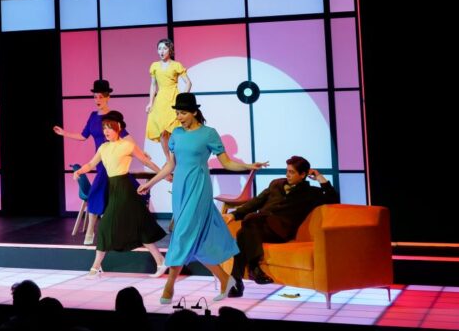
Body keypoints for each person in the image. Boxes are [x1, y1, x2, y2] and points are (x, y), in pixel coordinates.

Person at [138, 94, 267, 303]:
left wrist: (248, 166)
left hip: (198, 188)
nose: (179, 117)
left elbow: (227, 163)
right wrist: (150, 183)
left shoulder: (208, 134)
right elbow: (170, 165)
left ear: (194, 112)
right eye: (177, 113)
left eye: (183, 113)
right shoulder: (177, 134)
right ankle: (225, 280)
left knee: (181, 234)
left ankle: (169, 286)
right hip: (180, 189)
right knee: (197, 241)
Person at [222, 155, 338, 297]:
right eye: (287, 171)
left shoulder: (311, 193)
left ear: (303, 175)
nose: (288, 175)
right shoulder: (276, 184)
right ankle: (244, 277)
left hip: (280, 231)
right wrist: (234, 215)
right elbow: (257, 201)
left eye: (292, 172)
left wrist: (319, 177)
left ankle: (249, 271)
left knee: (249, 222)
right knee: (242, 233)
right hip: (259, 227)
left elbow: (333, 198)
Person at [74, 111, 167, 277]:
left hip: (124, 189)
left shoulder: (127, 145)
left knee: (104, 226)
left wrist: (164, 174)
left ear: (118, 128)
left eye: (109, 127)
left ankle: (95, 266)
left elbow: (146, 161)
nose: (106, 131)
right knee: (139, 227)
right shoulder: (104, 147)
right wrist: (79, 171)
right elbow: (90, 164)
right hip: (114, 188)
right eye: (104, 128)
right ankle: (160, 261)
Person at [53, 79, 124, 245]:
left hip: (113, 160)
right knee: (99, 193)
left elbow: (124, 136)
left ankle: (92, 231)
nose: (97, 100)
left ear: (108, 97)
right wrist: (64, 133)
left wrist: (138, 152)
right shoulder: (93, 116)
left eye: (101, 96)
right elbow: (83, 136)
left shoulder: (113, 117)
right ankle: (97, 232)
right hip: (99, 161)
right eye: (95, 96)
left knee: (99, 193)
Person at [145, 38, 192, 159]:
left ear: (170, 50)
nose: (161, 51)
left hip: (173, 99)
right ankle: (168, 159)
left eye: (164, 48)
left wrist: (182, 99)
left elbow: (188, 82)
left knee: (174, 131)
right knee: (162, 132)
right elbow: (153, 85)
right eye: (159, 48)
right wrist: (150, 102)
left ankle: (177, 157)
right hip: (160, 100)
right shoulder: (155, 66)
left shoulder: (176, 65)